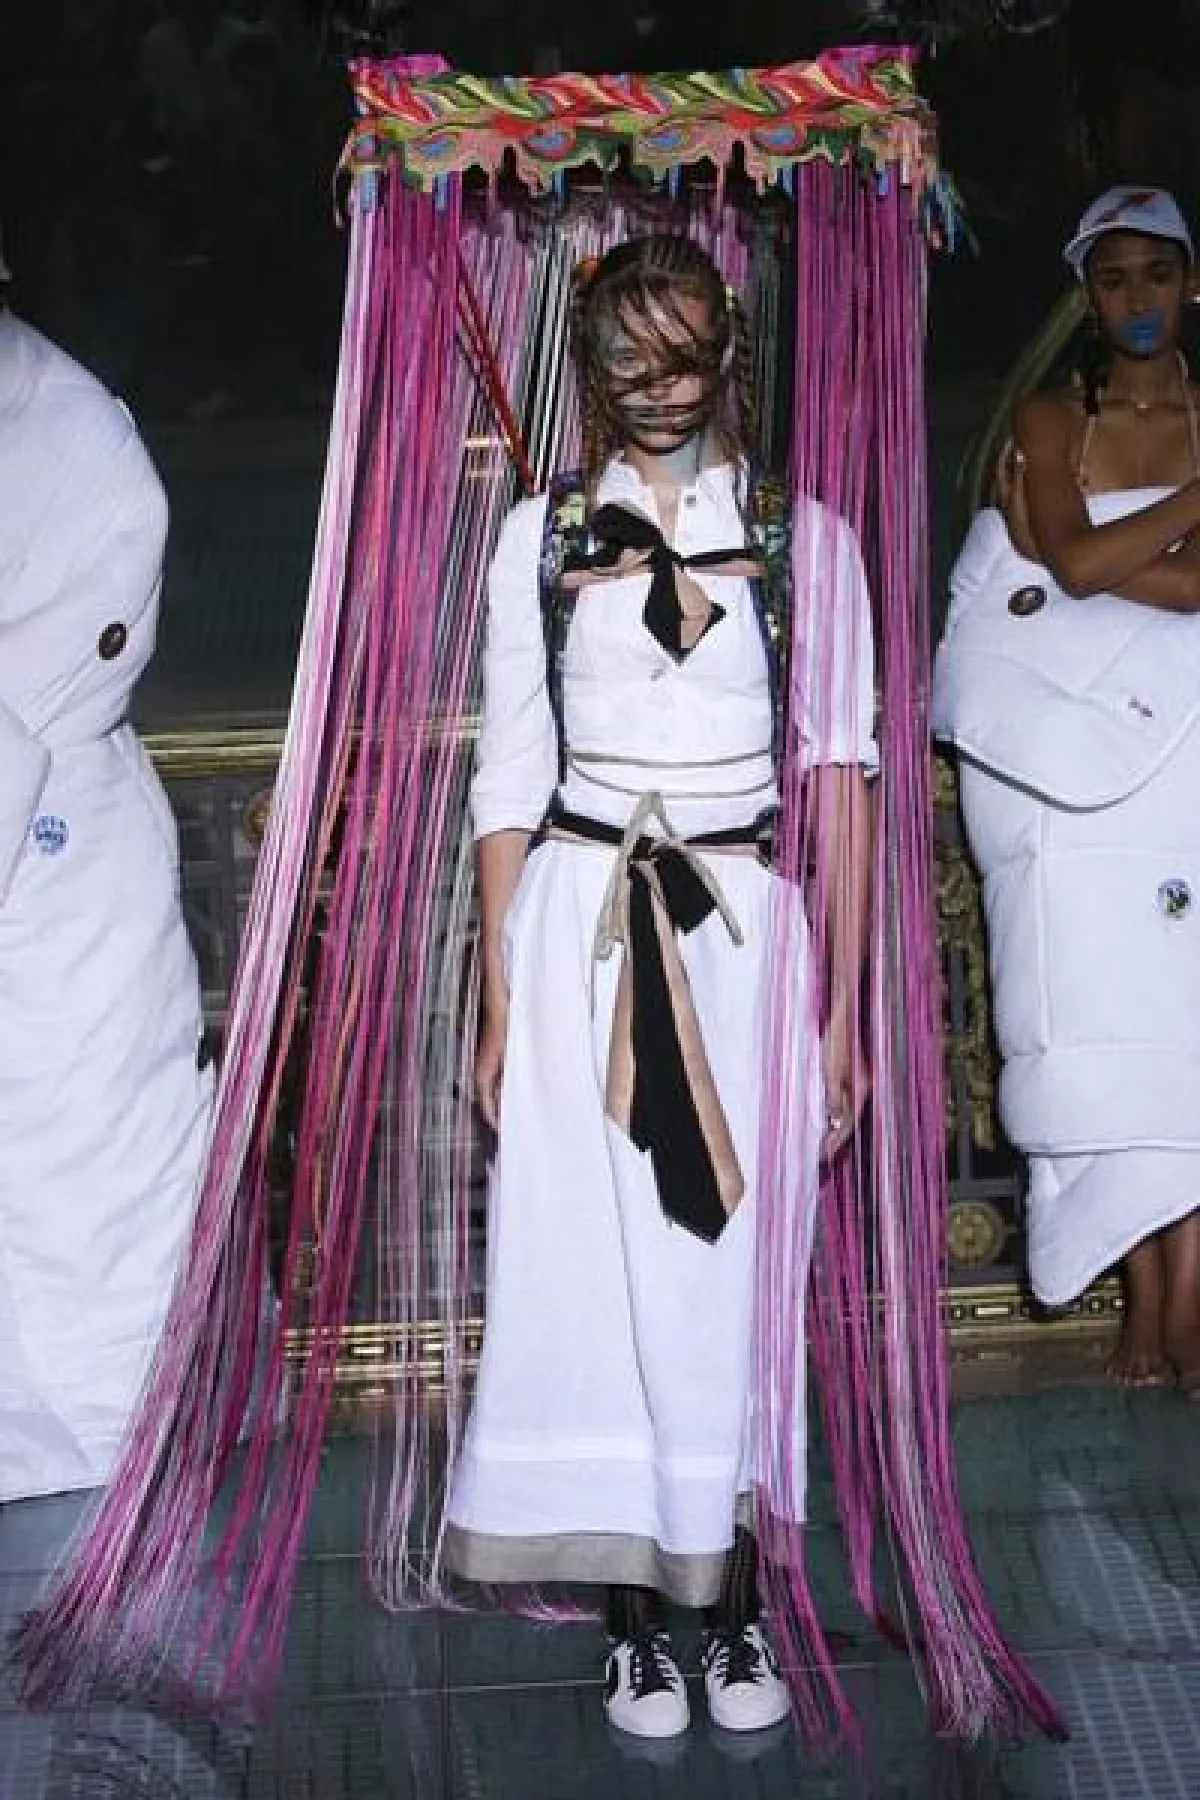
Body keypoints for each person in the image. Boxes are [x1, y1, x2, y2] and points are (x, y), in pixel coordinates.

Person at [440, 233, 877, 1739]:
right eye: (627, 356)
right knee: (591, 1273)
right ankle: (636, 1624)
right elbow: (509, 779)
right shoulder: (540, 539)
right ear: (590, 364)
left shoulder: (805, 540)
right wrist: (500, 999)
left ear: (728, 354)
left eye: (683, 352)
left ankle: (736, 1605)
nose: (657, 384)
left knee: (730, 1271)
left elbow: (839, 778)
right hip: (578, 930)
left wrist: (844, 1010)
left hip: (744, 935)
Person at [934, 185, 1200, 1391]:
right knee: (1095, 998)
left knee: (1182, 1006)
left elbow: (1125, 571)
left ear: (1190, 283)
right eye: (1114, 278)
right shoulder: (1049, 418)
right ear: (1087, 296)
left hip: (1181, 739)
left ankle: (1188, 1299)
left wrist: (1080, 550)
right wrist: (1104, 542)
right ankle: (1141, 1292)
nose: (1138, 298)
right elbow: (1081, 567)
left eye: (1158, 274)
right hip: (1077, 767)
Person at [0, 276, 212, 1501]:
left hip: (65, 861)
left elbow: (47, 685)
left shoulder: (78, 438)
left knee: (92, 1166)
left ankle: (116, 1421)